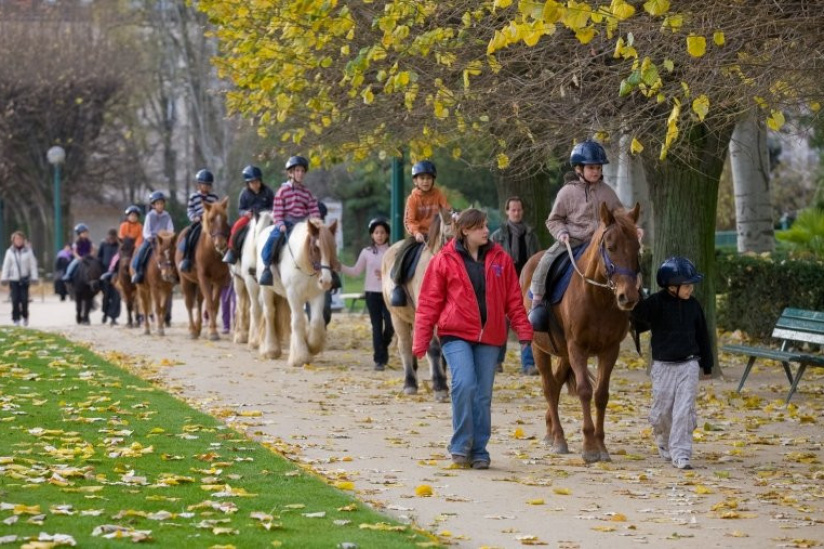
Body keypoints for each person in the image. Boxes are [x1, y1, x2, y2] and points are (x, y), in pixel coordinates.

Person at [413, 209, 532, 470]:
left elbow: (513, 298)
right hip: (454, 334)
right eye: (480, 227)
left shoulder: (500, 258)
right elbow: (429, 302)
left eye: (486, 226)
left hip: (490, 336)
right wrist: (421, 340)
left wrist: (523, 330)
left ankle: (479, 450)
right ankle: (460, 445)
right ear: (465, 230)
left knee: (483, 395)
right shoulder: (443, 260)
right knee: (465, 384)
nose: (486, 231)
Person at [528, 140, 635, 331]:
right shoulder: (567, 192)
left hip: (602, 243)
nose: (596, 171)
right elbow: (553, 220)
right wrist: (561, 232)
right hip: (573, 240)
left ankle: (636, 304)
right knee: (546, 260)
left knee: (628, 261)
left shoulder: (607, 192)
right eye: (591, 167)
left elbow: (620, 215)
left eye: (598, 168)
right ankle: (537, 302)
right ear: (579, 169)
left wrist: (631, 227)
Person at [631, 256, 712, 471]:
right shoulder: (656, 303)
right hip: (663, 366)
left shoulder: (694, 306)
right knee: (662, 412)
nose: (690, 289)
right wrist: (637, 293)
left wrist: (707, 364)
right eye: (686, 286)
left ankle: (682, 454)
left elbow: (703, 335)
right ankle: (663, 439)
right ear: (671, 286)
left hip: (689, 364)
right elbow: (638, 318)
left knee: (684, 410)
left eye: (691, 285)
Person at [389, 160, 452, 306]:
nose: (425, 181)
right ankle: (398, 284)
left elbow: (447, 210)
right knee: (403, 252)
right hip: (419, 235)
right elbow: (409, 221)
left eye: (429, 178)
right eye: (422, 178)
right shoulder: (412, 199)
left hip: (437, 235)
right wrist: (416, 233)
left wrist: (453, 215)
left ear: (433, 180)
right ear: (415, 180)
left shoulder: (438, 194)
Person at [491, 196, 541, 375]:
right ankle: (496, 361)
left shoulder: (531, 235)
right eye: (513, 210)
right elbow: (490, 262)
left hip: (527, 284)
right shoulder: (497, 236)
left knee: (526, 322)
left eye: (519, 210)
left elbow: (537, 260)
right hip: (505, 284)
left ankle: (528, 364)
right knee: (501, 323)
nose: (517, 213)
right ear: (507, 212)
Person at [340, 218, 394, 371]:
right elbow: (355, 271)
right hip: (372, 294)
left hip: (389, 293)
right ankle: (379, 360)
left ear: (387, 234)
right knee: (376, 327)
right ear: (372, 235)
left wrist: (385, 275)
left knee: (390, 326)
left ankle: (382, 347)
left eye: (382, 232)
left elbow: (398, 274)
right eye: (376, 232)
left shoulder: (393, 251)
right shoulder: (366, 252)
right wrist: (339, 267)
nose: (379, 235)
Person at [258, 155, 321, 287]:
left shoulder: (306, 192)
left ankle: (330, 269)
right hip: (286, 223)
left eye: (303, 171)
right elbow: (277, 213)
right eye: (297, 170)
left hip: (303, 224)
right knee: (273, 239)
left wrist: (316, 222)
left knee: (323, 241)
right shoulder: (282, 191)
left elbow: (313, 208)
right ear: (290, 173)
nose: (301, 173)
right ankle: (267, 268)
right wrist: (280, 224)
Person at [223, 165, 275, 264]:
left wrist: (270, 212)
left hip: (267, 216)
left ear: (260, 180)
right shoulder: (244, 193)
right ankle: (231, 250)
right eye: (252, 182)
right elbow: (241, 209)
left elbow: (273, 205)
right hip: (250, 217)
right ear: (247, 183)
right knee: (236, 226)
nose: (255, 184)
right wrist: (246, 213)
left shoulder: (268, 191)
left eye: (257, 181)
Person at [179, 169, 219, 273]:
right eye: (204, 184)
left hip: (211, 223)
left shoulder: (214, 197)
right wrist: (194, 217)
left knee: (221, 233)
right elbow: (190, 209)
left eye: (208, 185)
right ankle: (187, 258)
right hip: (199, 222)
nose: (206, 187)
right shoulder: (194, 197)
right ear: (199, 185)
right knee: (189, 235)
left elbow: (217, 210)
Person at [132, 191, 175, 284]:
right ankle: (138, 271)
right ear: (153, 205)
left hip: (163, 240)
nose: (160, 206)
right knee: (142, 250)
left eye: (161, 203)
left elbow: (170, 228)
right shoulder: (149, 216)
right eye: (158, 204)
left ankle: (174, 272)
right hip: (151, 239)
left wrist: (168, 237)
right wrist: (149, 237)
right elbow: (146, 230)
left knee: (172, 252)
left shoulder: (167, 216)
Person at [1, 231, 39, 326]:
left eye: (20, 239)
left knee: (24, 300)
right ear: (13, 241)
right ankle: (16, 318)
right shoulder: (9, 252)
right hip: (14, 279)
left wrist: (34, 277)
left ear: (23, 240)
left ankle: (25, 316)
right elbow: (6, 266)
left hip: (24, 279)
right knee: (15, 300)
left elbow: (32, 265)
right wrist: (4, 278)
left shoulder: (28, 251)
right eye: (16, 239)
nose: (18, 241)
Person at [98, 229, 121, 325]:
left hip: (116, 274)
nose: (111, 239)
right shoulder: (103, 245)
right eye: (110, 237)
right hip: (105, 273)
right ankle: (105, 314)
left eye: (113, 237)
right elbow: (99, 257)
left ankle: (114, 317)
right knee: (106, 295)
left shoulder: (119, 246)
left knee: (116, 296)